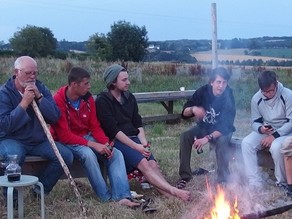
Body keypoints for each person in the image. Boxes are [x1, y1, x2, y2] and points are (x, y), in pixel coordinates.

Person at [95, 64, 190, 202]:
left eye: (128, 79)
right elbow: (113, 130)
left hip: (135, 138)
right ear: (113, 82)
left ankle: (170, 195)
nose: (128, 82)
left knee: (152, 165)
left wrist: (144, 143)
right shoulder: (103, 101)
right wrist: (136, 147)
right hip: (118, 141)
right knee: (144, 164)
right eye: (124, 80)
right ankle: (173, 191)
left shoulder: (129, 98)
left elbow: (138, 123)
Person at [50, 67, 140, 208]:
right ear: (74, 85)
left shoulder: (88, 99)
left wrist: (105, 143)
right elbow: (65, 135)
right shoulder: (59, 100)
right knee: (88, 155)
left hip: (86, 136)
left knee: (115, 154)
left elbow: (95, 126)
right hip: (67, 140)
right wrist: (94, 145)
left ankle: (122, 196)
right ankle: (105, 197)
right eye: (86, 83)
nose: (89, 86)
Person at [0, 56, 73, 197]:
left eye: (35, 73)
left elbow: (55, 116)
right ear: (17, 71)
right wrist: (24, 103)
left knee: (65, 156)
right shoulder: (4, 93)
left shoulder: (41, 88)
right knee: (14, 157)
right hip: (11, 139)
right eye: (28, 73)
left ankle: (40, 191)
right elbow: (5, 125)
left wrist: (40, 98)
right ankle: (12, 199)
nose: (32, 77)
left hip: (37, 140)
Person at [177, 67, 236, 188]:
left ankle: (223, 177)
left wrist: (206, 139)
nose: (221, 86)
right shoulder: (203, 92)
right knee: (185, 136)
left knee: (222, 141)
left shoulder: (228, 97)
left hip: (222, 131)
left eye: (224, 82)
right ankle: (185, 176)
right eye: (218, 82)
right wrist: (193, 109)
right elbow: (184, 113)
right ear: (212, 82)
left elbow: (226, 126)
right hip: (204, 127)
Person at [241, 70, 292, 188]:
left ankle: (281, 182)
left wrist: (274, 136)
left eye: (271, 90)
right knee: (246, 143)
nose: (268, 94)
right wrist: (261, 129)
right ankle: (254, 181)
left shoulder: (288, 95)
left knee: (277, 146)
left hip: (286, 131)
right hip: (268, 130)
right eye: (264, 91)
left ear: (276, 84)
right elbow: (254, 122)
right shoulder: (256, 98)